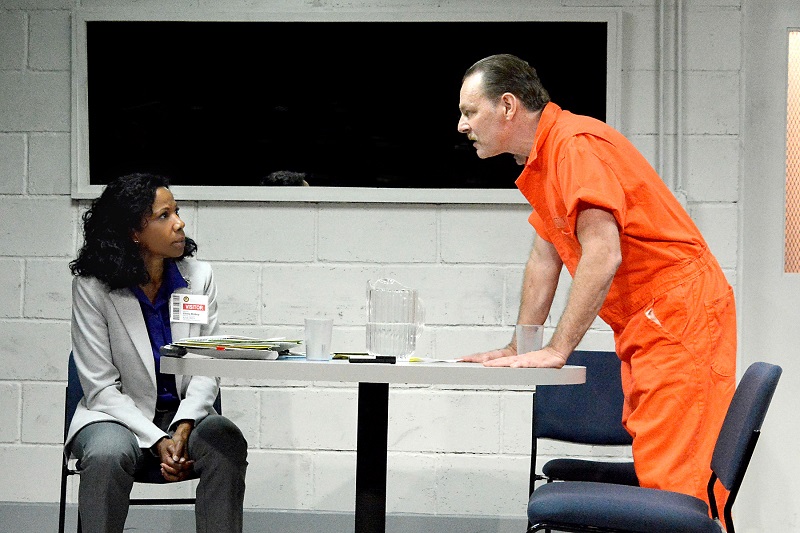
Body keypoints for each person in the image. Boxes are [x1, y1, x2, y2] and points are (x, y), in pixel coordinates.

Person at [457, 54, 736, 515]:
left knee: (680, 494)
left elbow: (603, 254)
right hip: (652, 318)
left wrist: (560, 347)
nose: (462, 126)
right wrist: (520, 345)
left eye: (470, 111)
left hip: (678, 312)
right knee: (660, 471)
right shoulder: (545, 156)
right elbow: (546, 256)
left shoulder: (574, 144)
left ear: (507, 106)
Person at [66, 173, 248, 533]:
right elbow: (100, 388)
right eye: (164, 215)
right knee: (106, 453)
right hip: (114, 418)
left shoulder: (199, 277)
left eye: (176, 211)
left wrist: (182, 427)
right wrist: (157, 438)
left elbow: (205, 365)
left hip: (185, 416)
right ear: (134, 231)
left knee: (226, 441)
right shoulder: (92, 287)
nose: (180, 223)